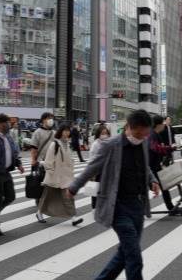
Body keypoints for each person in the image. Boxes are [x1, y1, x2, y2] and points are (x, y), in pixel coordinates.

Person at [66, 110, 160, 280]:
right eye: (140, 133)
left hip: (137, 204)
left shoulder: (143, 143)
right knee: (134, 256)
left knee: (125, 252)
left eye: (146, 134)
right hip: (116, 206)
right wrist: (74, 187)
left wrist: (152, 180)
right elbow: (91, 168)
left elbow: (145, 167)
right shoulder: (110, 145)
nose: (143, 137)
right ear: (130, 128)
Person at [40, 122, 82, 225]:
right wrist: (50, 173)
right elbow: (49, 161)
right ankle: (39, 212)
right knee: (47, 197)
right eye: (65, 130)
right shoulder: (54, 144)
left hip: (66, 176)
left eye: (68, 131)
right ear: (60, 131)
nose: (67, 133)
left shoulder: (67, 144)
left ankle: (73, 218)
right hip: (55, 176)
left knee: (68, 197)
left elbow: (68, 160)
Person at [0, 114, 24, 235]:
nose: (9, 125)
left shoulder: (8, 137)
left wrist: (18, 164)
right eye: (7, 122)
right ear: (0, 123)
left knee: (11, 196)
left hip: (6, 172)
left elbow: (14, 153)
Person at [29, 112, 56, 223]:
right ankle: (39, 204)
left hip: (52, 163)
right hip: (40, 163)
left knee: (50, 185)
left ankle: (43, 204)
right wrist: (34, 161)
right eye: (49, 118)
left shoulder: (54, 132)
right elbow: (34, 148)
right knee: (41, 185)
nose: (51, 120)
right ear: (43, 120)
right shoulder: (37, 132)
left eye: (52, 118)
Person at [149, 115, 176, 211]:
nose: (164, 125)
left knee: (164, 187)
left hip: (155, 165)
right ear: (158, 125)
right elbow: (156, 148)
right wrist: (170, 148)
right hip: (151, 168)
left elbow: (160, 148)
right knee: (159, 187)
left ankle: (171, 208)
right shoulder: (152, 135)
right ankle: (170, 208)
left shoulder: (156, 134)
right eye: (163, 123)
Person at [88, 124, 112, 208]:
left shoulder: (110, 143)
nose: (104, 135)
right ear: (98, 134)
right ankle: (94, 207)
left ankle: (104, 206)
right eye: (102, 133)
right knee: (96, 189)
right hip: (97, 171)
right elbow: (91, 158)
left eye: (106, 133)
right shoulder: (95, 144)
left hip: (107, 170)